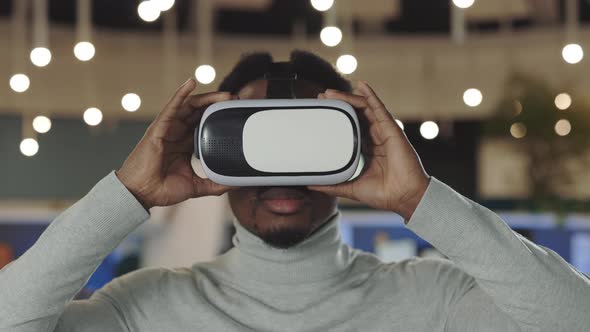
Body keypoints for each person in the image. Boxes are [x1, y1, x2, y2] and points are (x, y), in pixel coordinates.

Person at [1, 50, 589, 332]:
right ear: (210, 145)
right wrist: (130, 191)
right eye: (254, 142)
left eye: (305, 137)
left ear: (359, 143)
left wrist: (420, 199)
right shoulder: (145, 309)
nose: (280, 174)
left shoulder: (434, 300)